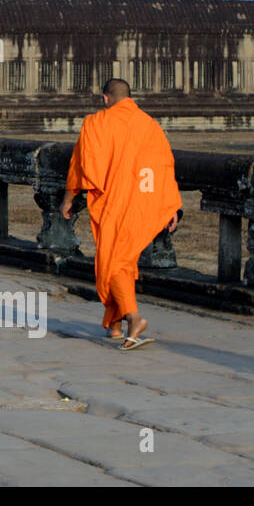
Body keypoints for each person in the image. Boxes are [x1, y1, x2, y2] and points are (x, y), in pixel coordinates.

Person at [61, 79, 182, 351]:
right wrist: (171, 204)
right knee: (123, 262)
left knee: (112, 263)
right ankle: (115, 326)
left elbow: (80, 164)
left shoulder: (95, 123)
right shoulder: (150, 125)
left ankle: (134, 317)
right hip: (146, 204)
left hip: (115, 204)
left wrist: (69, 198)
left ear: (106, 98)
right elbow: (165, 165)